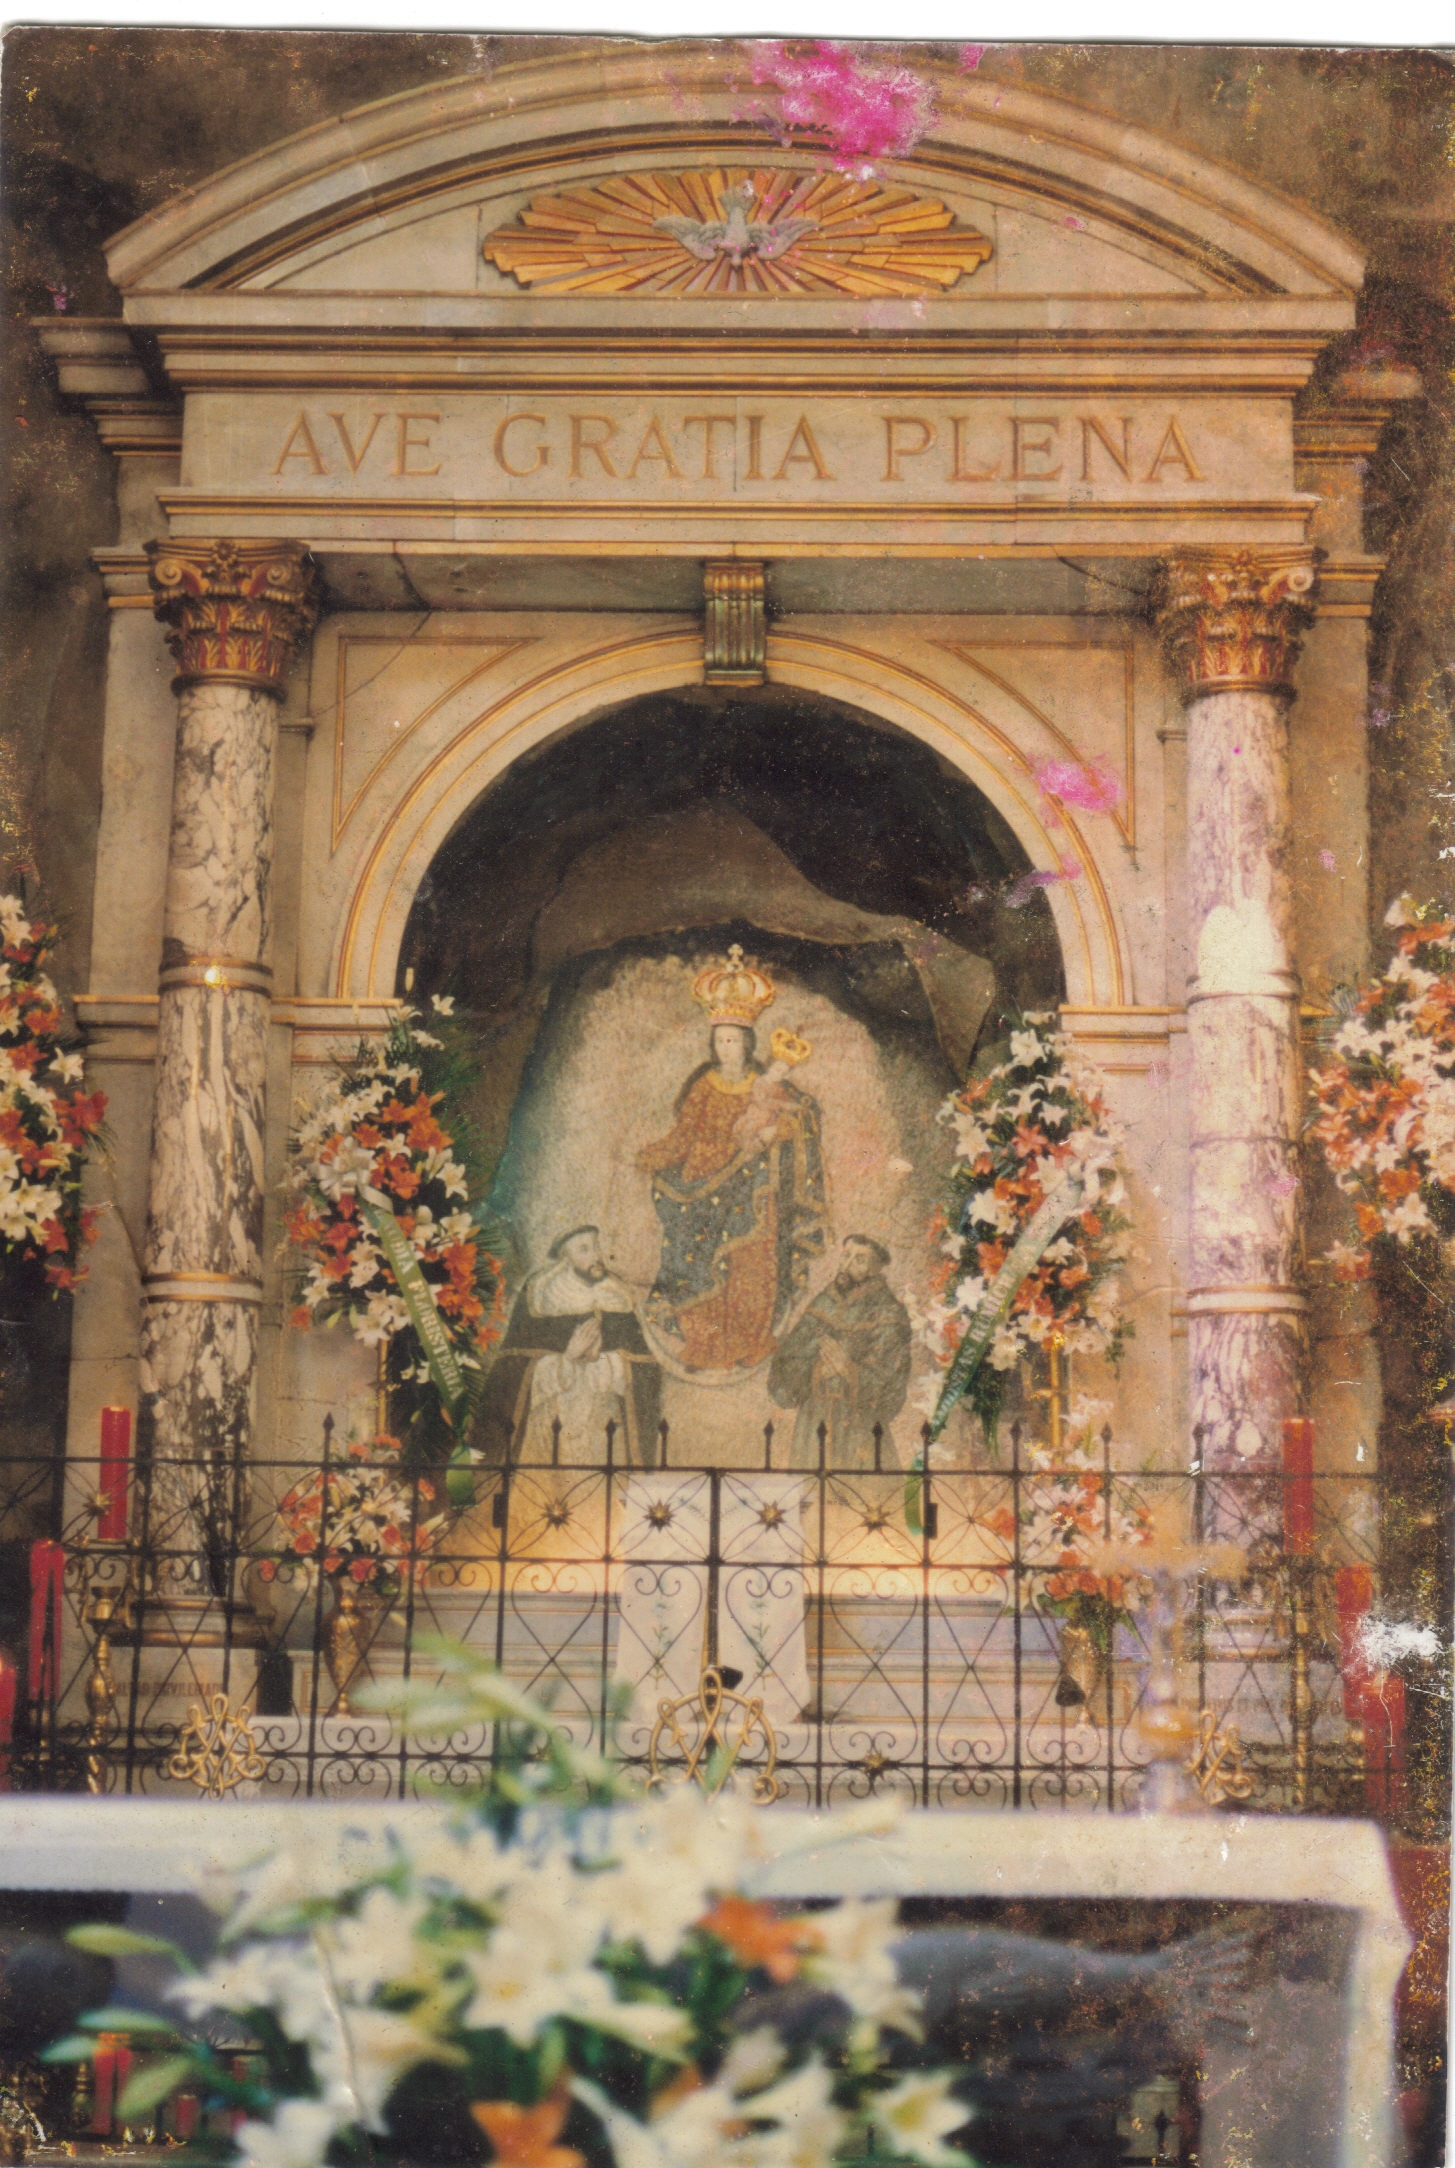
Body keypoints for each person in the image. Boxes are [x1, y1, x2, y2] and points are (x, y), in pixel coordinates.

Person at [637, 947, 828, 1374]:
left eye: (735, 1040)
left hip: (755, 1190)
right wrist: (650, 1157)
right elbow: (683, 1137)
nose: (728, 1048)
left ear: (748, 1042)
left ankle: (748, 1342)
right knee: (700, 1263)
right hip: (703, 1186)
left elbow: (797, 1122)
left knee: (750, 1267)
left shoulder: (766, 1085)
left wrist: (771, 1132)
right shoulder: (703, 1086)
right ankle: (704, 1347)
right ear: (714, 1043)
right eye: (721, 1040)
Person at [474, 1225, 662, 1466]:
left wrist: (604, 1361)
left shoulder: (616, 1294)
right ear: (566, 1257)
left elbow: (644, 1368)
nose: (596, 1256)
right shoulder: (541, 1294)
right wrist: (568, 1360)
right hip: (549, 1427)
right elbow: (513, 1370)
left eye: (596, 1247)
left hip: (606, 1433)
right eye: (584, 1249)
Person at [767, 1235, 912, 1470]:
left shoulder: (890, 1313)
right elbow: (787, 1360)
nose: (846, 1265)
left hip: (860, 1429)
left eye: (860, 1260)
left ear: (876, 1268)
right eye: (846, 1255)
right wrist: (815, 1372)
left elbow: (892, 1387)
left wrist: (849, 1369)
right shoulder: (823, 1303)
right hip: (813, 1424)